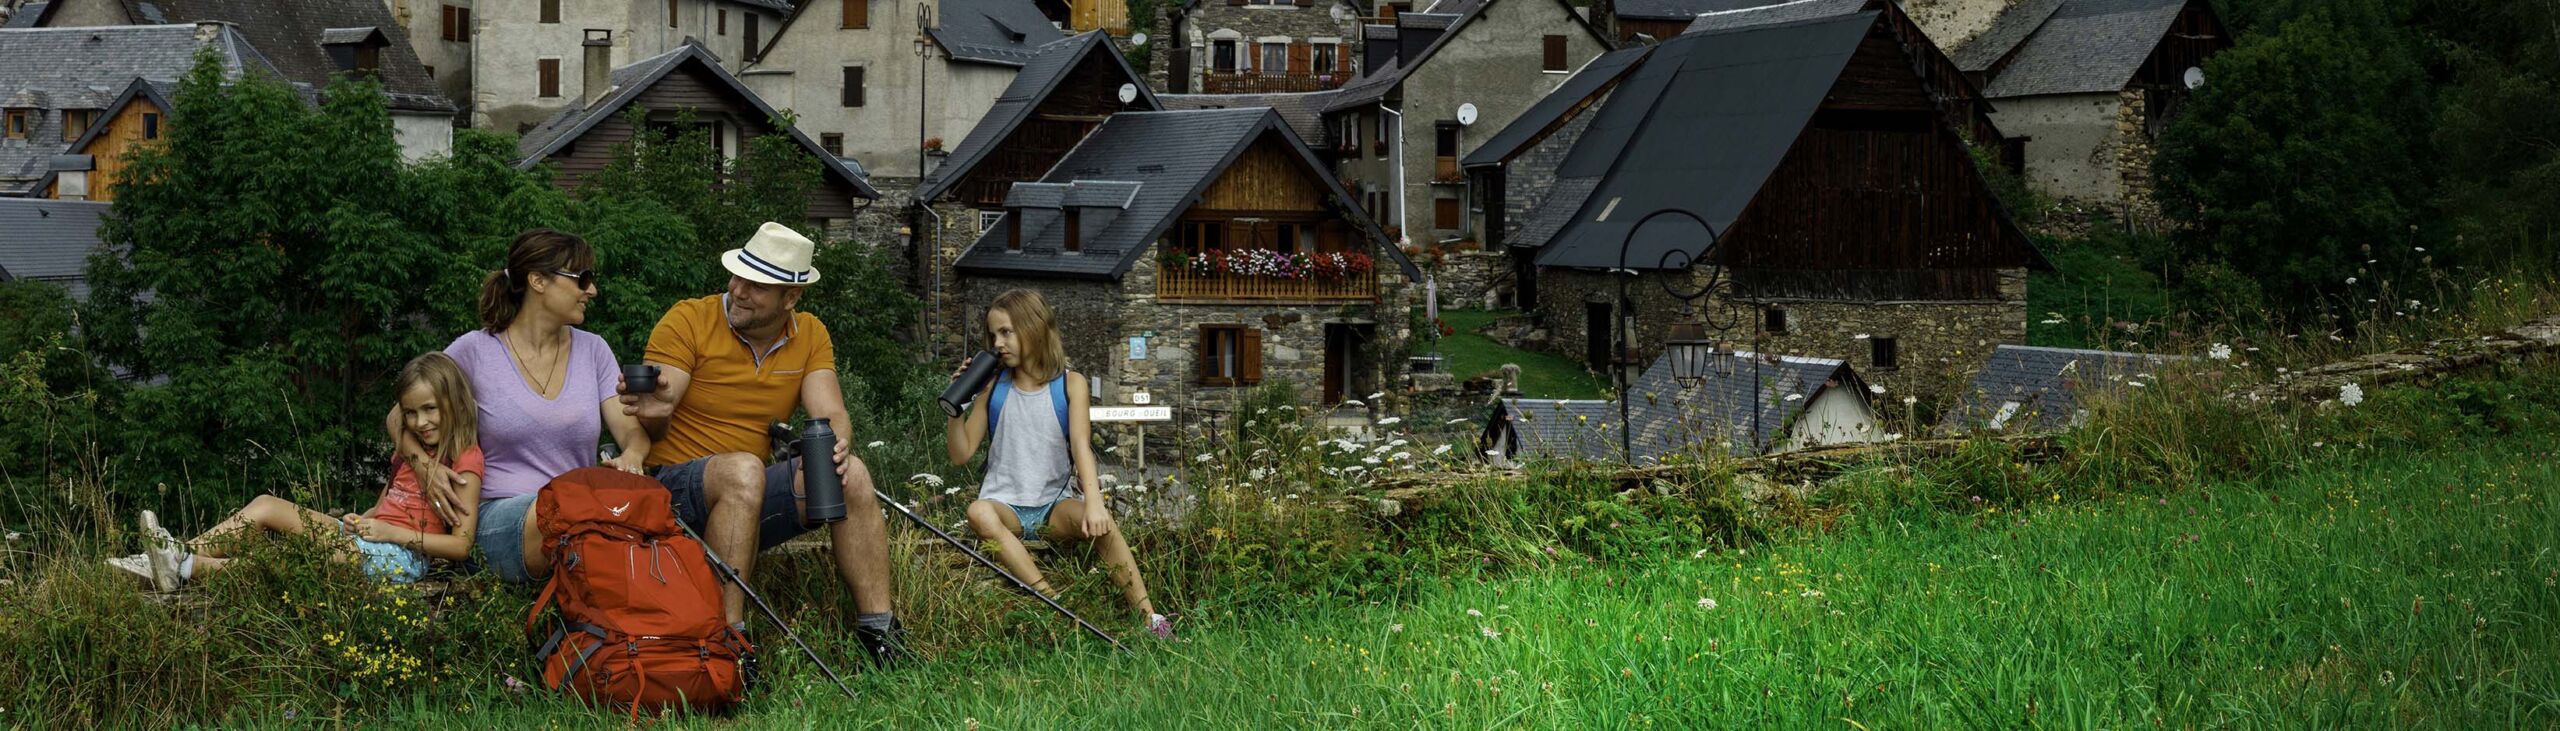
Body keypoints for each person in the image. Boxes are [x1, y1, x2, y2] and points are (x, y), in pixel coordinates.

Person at [618, 222, 906, 663]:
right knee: (743, 469)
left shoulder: (809, 334)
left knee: (853, 475)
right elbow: (666, 389)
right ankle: (728, 644)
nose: (739, 291)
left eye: (756, 285)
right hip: (673, 491)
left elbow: (830, 413)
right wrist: (657, 402)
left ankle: (881, 635)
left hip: (746, 500)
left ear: (790, 298)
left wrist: (837, 446)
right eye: (737, 277)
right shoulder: (689, 318)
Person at [109, 352, 487, 590]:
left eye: (430, 409)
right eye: (411, 413)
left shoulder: (464, 458)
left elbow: (460, 545)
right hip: (371, 537)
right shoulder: (412, 450)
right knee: (267, 505)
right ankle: (170, 554)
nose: (420, 422)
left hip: (400, 557)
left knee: (299, 563)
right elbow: (391, 499)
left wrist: (391, 532)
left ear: (452, 402)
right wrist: (370, 517)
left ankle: (185, 565)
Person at [407, 228, 654, 586]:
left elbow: (631, 431)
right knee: (569, 514)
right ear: (537, 281)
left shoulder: (594, 350)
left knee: (602, 512)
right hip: (499, 515)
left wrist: (632, 455)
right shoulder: (475, 351)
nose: (592, 290)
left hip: (579, 509)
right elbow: (400, 413)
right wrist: (424, 466)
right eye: (582, 279)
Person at [945, 289, 1171, 639]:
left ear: (1033, 328)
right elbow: (961, 455)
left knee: (1103, 523)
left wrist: (1095, 504)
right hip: (1004, 506)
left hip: (1053, 507)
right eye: (992, 335)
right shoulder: (994, 387)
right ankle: (1056, 602)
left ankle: (1149, 618)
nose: (998, 343)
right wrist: (957, 403)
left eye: (1006, 332)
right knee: (978, 512)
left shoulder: (1070, 384)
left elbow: (1081, 446)